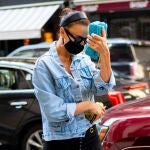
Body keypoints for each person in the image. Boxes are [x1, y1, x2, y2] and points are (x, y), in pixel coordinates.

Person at [32, 8, 115, 150]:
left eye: (84, 39)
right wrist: (88, 105)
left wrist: (105, 54)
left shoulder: (83, 59)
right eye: (78, 38)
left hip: (90, 137)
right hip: (60, 143)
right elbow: (53, 111)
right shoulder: (44, 65)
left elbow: (103, 88)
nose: (81, 44)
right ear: (63, 32)